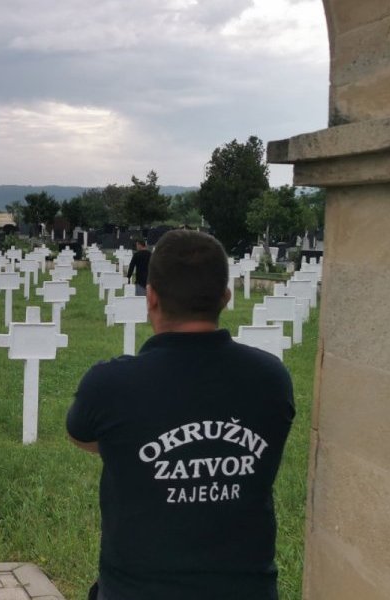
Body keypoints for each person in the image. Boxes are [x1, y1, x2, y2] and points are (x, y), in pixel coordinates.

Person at [67, 230, 295, 600]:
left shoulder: (109, 385)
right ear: (225, 296)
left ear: (151, 297)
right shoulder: (272, 379)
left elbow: (82, 437)